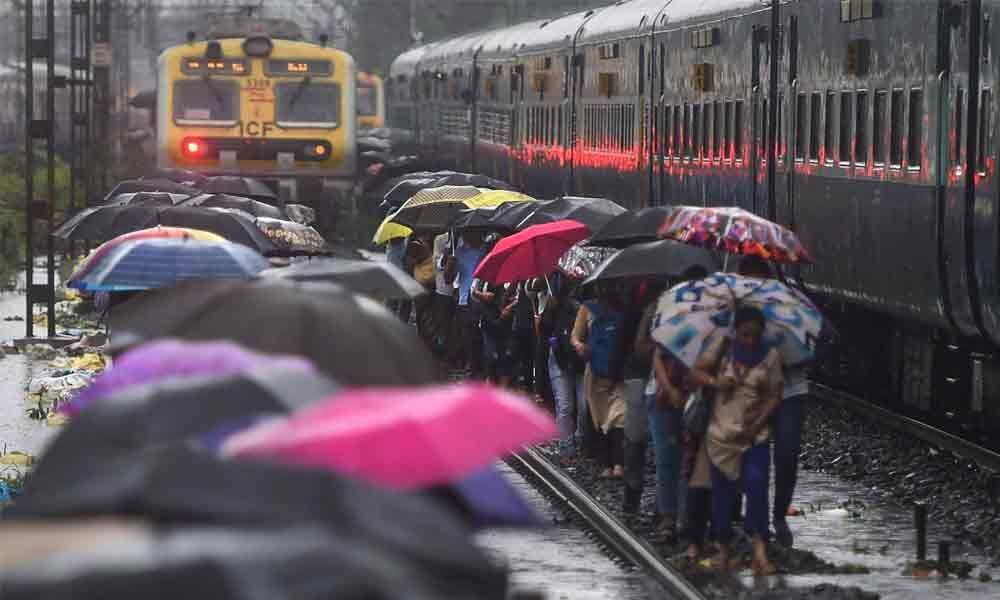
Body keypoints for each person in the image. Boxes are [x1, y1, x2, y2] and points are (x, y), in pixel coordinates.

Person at [692, 306, 783, 575]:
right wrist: (715, 382)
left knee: (757, 488)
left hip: (754, 435)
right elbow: (695, 373)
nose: (750, 341)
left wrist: (757, 423)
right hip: (721, 435)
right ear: (736, 331)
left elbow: (775, 395)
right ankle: (723, 550)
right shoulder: (722, 348)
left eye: (755, 335)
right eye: (745, 335)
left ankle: (760, 553)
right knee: (722, 495)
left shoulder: (771, 356)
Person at [739, 253, 809, 549]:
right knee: (755, 458)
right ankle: (758, 521)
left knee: (787, 454)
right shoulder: (737, 307)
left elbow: (817, 337)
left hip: (791, 390)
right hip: (752, 393)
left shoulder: (790, 302)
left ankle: (778, 514)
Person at [644, 265, 708, 540]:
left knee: (686, 459)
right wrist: (670, 389)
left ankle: (683, 518)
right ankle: (670, 518)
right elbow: (659, 356)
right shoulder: (669, 313)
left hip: (692, 394)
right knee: (669, 458)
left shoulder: (711, 320)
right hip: (663, 393)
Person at [571, 283, 626, 479]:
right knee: (601, 418)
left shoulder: (622, 308)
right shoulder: (588, 308)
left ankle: (616, 463)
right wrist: (580, 347)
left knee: (618, 417)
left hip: (616, 371)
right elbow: (575, 337)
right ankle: (608, 463)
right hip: (596, 372)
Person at [621, 279, 666, 514]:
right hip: (640, 374)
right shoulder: (637, 301)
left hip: (668, 378)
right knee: (637, 436)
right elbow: (634, 344)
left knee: (662, 442)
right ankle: (633, 493)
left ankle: (661, 503)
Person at [538, 274, 580, 459]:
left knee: (583, 405)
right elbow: (544, 332)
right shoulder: (553, 305)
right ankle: (566, 444)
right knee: (564, 404)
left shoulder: (580, 307)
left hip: (579, 361)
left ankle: (579, 439)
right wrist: (549, 310)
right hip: (559, 358)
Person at [445, 229, 488, 378]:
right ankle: (472, 370)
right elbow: (448, 280)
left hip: (483, 300)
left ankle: (482, 370)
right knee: (469, 338)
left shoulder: (488, 248)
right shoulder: (459, 252)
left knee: (482, 338)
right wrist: (450, 265)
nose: (465, 236)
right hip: (465, 300)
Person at [476, 282, 518, 388]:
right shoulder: (486, 277)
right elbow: (474, 290)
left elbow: (520, 298)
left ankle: (502, 391)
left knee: (506, 358)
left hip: (507, 326)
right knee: (490, 357)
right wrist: (482, 295)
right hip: (490, 323)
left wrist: (511, 305)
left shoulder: (515, 279)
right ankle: (489, 386)